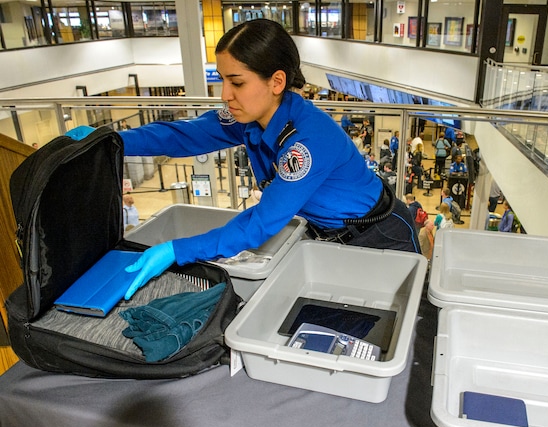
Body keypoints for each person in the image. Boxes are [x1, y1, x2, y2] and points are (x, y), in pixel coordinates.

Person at [70, 19, 420, 300]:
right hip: (330, 235)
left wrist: (176, 250)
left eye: (236, 82)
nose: (225, 95)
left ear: (276, 81)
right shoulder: (251, 120)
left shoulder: (308, 142)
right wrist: (112, 141)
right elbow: (184, 135)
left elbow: (261, 223)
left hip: (379, 235)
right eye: (222, 80)